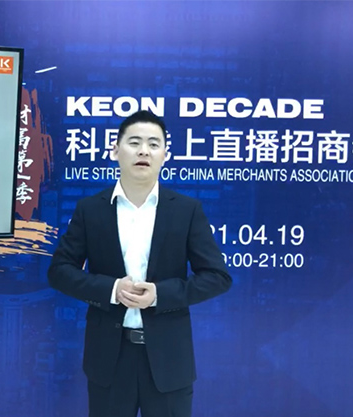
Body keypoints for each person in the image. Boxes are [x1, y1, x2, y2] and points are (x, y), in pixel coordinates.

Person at [48, 110, 231, 417]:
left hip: (168, 360)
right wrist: (111, 289)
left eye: (153, 144)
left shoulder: (186, 210)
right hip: (109, 358)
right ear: (115, 151)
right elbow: (59, 271)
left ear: (165, 156)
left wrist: (159, 295)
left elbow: (217, 277)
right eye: (134, 142)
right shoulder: (90, 210)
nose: (144, 151)